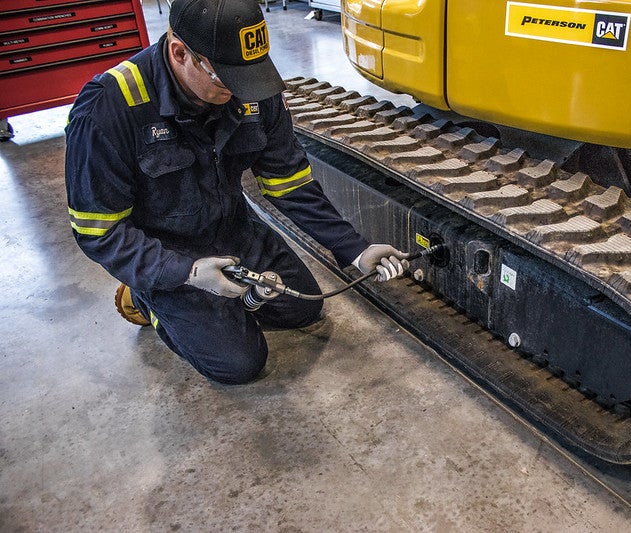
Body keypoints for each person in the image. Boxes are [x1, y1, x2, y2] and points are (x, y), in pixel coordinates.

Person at [64, 0, 409, 384]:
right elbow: (99, 232)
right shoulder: (109, 108)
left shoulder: (249, 87)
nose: (244, 90)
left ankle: (204, 302)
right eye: (227, 77)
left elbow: (288, 181)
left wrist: (354, 248)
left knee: (302, 311)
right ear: (180, 54)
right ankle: (147, 297)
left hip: (233, 229)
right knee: (240, 364)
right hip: (165, 248)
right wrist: (186, 272)